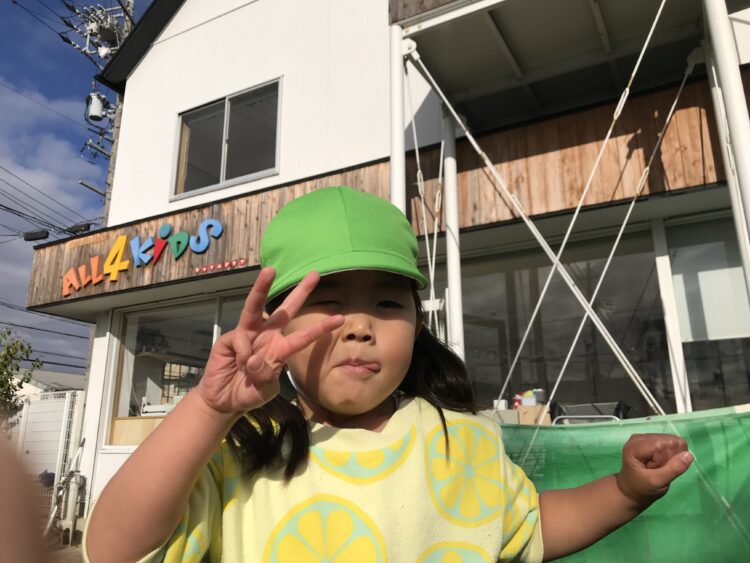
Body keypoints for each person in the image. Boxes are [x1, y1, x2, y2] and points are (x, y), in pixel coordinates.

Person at [85, 186, 693, 562]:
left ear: (417, 323)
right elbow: (114, 550)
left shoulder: (461, 438)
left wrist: (626, 491)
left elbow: (526, 529)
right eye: (327, 303)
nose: (359, 326)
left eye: (386, 302)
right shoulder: (240, 449)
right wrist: (209, 408)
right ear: (275, 327)